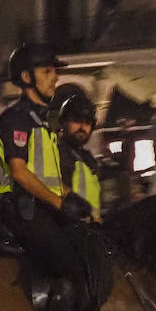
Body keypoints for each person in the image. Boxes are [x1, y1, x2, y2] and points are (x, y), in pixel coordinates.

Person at [0, 44, 95, 311]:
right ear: (26, 77)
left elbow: (50, 177)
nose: (55, 77)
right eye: (48, 71)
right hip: (19, 210)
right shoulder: (15, 119)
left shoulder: (44, 124)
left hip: (42, 207)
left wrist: (77, 202)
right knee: (71, 267)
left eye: (55, 71)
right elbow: (19, 172)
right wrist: (59, 202)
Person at [57, 91, 102, 222]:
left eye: (87, 123)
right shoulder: (55, 153)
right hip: (65, 228)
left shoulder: (88, 159)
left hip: (89, 229)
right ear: (63, 123)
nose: (82, 127)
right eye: (76, 121)